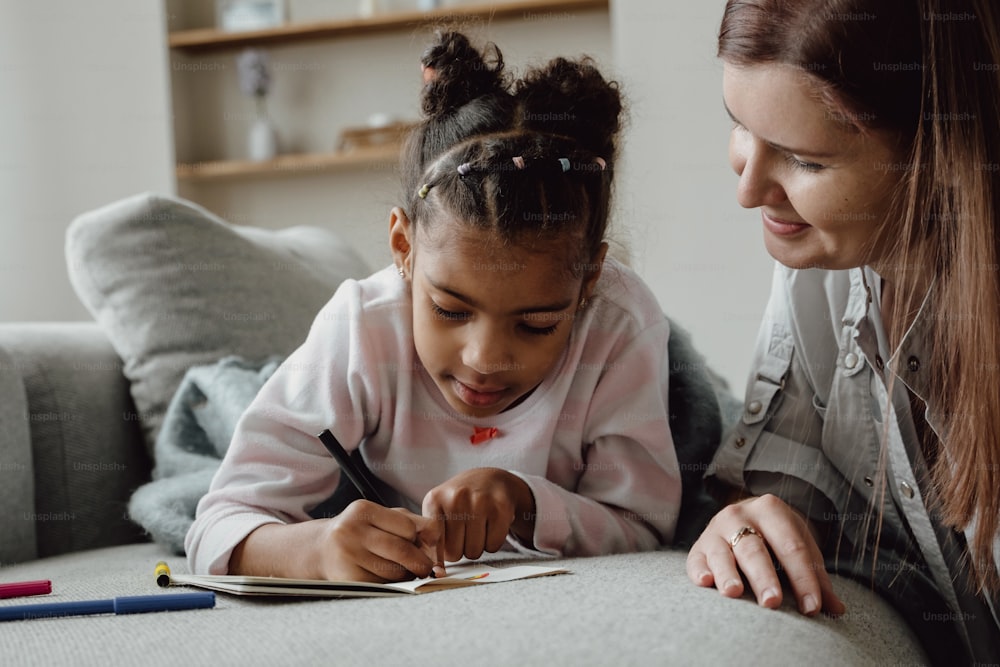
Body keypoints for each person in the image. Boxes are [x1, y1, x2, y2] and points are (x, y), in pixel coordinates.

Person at [186, 31, 684, 583]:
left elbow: (646, 525)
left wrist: (526, 502)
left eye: (538, 324)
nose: (485, 360)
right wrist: (319, 549)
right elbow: (217, 525)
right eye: (450, 310)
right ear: (403, 248)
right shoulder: (362, 327)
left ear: (589, 280)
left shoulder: (619, 322)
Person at [686, 0, 1000, 663]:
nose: (746, 189)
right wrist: (751, 520)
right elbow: (785, 489)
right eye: (738, 124)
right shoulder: (821, 271)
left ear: (939, 147)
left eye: (804, 160)